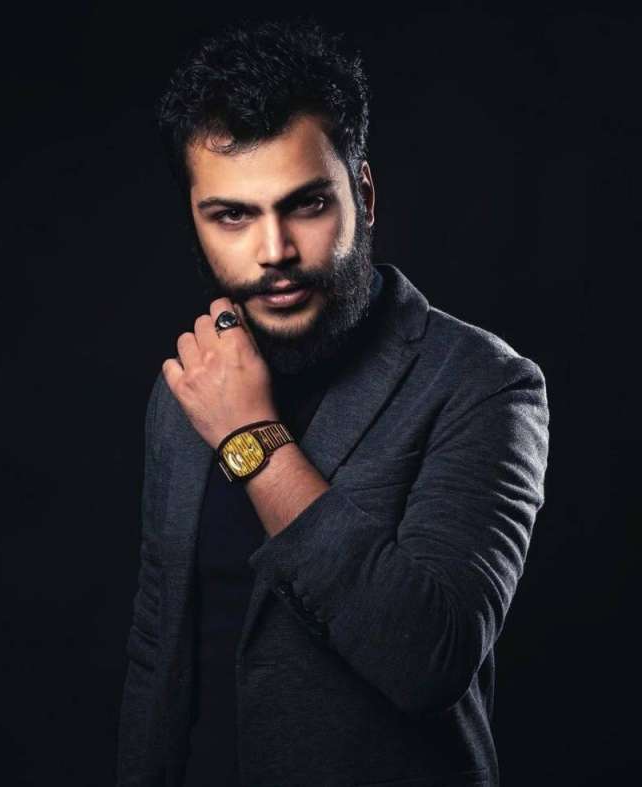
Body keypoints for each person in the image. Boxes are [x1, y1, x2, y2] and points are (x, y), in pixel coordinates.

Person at [116, 17, 549, 787]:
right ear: (195, 221)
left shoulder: (484, 384)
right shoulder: (189, 383)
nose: (275, 251)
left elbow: (429, 656)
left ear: (364, 195)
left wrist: (251, 435)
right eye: (233, 215)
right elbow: (160, 643)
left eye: (307, 205)